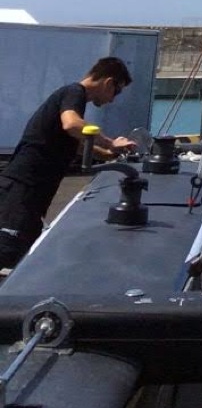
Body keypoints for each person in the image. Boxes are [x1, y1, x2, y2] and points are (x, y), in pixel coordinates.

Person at [0, 57, 134, 271]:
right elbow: (71, 124)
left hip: (33, 195)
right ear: (108, 83)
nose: (112, 100)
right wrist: (110, 141)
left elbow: (77, 145)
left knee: (24, 258)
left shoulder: (75, 99)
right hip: (22, 189)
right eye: (116, 92)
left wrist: (107, 154)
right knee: (6, 255)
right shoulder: (74, 92)